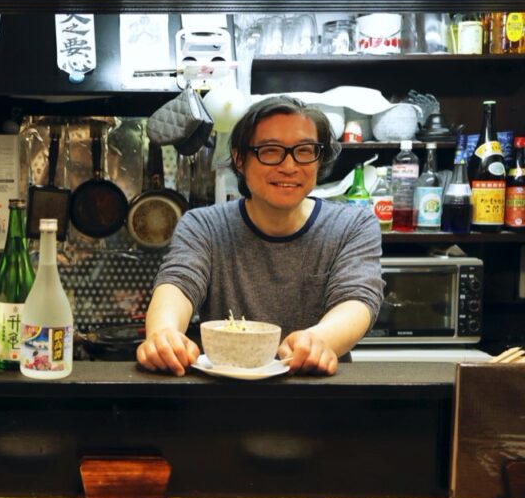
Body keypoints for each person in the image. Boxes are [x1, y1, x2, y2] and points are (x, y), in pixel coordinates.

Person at [137, 95, 384, 376]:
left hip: (316, 393)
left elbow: (357, 299)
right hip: (224, 394)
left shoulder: (352, 224)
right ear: (239, 159)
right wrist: (163, 334)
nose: (289, 166)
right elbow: (178, 282)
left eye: (304, 150)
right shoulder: (203, 226)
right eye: (270, 150)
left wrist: (317, 341)